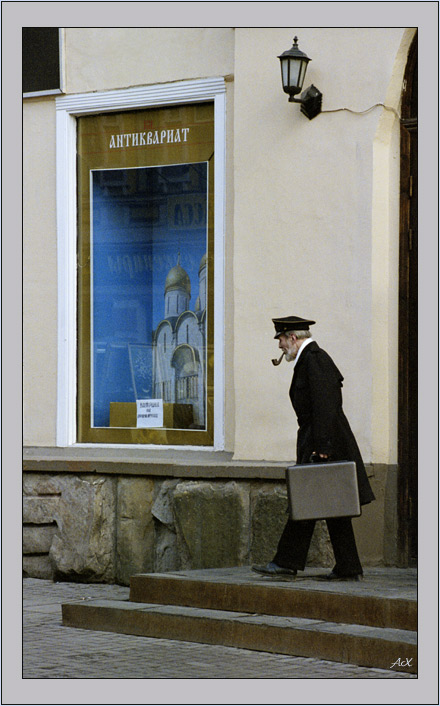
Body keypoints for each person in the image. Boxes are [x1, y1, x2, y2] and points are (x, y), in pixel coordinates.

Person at [253, 315, 375, 581]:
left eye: (282, 340)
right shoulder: (309, 359)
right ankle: (348, 566)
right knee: (332, 505)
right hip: (323, 441)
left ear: (294, 338)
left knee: (306, 499)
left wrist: (323, 447)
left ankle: (286, 562)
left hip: (324, 443)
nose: (280, 346)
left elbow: (326, 405)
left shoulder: (315, 359)